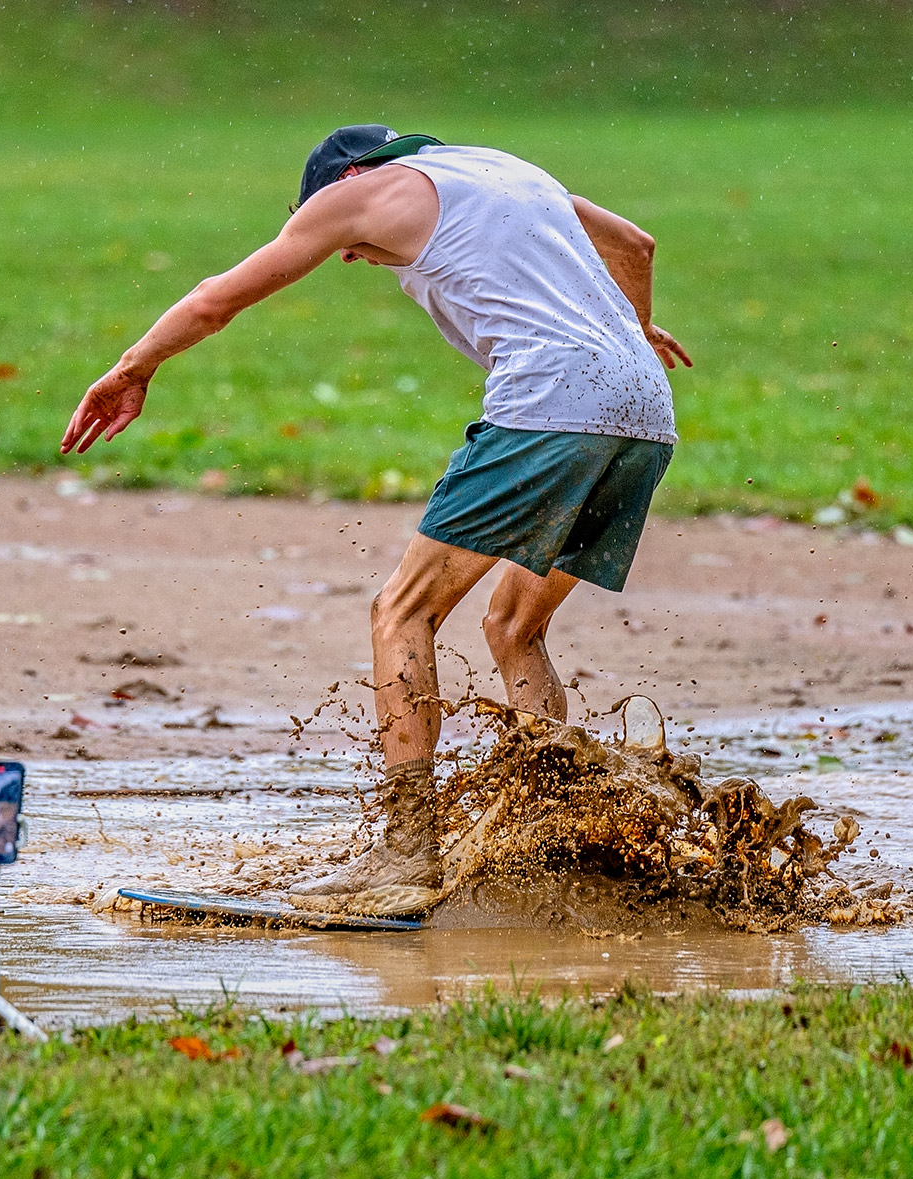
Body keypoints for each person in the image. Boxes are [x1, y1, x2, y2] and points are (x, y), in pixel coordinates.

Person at [62, 125, 689, 906]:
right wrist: (632, 331)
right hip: (645, 412)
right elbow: (635, 242)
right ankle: (555, 831)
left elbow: (217, 299)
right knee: (514, 628)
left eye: (345, 242)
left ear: (348, 178)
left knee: (402, 611)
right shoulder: (499, 168)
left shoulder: (361, 195)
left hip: (549, 406)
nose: (352, 256)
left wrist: (132, 368)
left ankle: (404, 853)